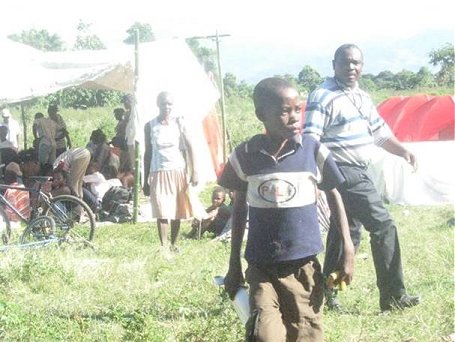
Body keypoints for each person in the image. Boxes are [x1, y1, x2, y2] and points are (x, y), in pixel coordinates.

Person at [218, 77, 354, 341]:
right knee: (263, 335)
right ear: (261, 114)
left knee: (304, 333)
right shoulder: (245, 156)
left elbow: (335, 196)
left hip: (303, 268)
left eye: (297, 110)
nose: (294, 118)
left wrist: (348, 248)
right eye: (284, 111)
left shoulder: (312, 151)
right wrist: (234, 263)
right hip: (261, 267)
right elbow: (239, 210)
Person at [303, 43, 421, 312]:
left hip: (359, 169)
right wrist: (315, 177)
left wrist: (402, 150)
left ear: (362, 66)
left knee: (346, 230)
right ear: (334, 64)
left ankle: (326, 293)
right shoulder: (323, 96)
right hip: (342, 170)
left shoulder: (362, 97)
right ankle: (393, 296)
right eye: (345, 62)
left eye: (356, 63)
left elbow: (379, 133)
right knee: (383, 225)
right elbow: (311, 138)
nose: (351, 67)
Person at [143, 91, 199, 254]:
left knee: (176, 210)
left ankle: (174, 244)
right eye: (163, 104)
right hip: (158, 171)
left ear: (172, 105)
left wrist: (194, 171)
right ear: (157, 104)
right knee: (161, 209)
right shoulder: (150, 125)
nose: (166, 107)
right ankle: (164, 246)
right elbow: (148, 153)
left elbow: (190, 147)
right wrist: (145, 178)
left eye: (169, 104)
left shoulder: (179, 123)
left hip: (177, 170)